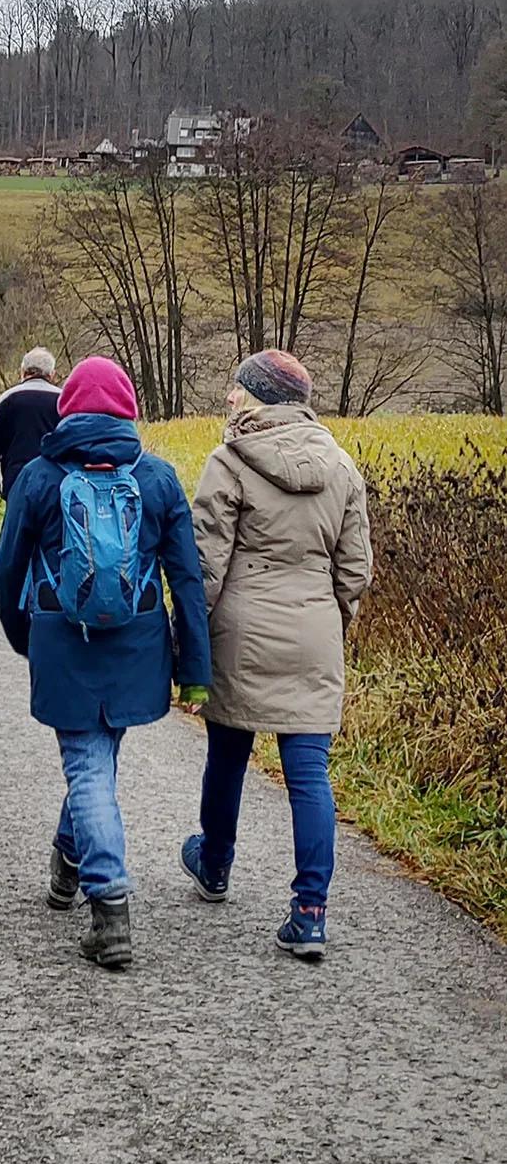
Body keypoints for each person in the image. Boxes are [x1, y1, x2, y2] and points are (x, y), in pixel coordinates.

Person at [0, 355, 211, 970]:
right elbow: (187, 580)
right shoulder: (160, 479)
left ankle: (109, 907)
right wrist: (193, 668)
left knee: (88, 766)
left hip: (63, 639)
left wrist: (23, 637)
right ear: (128, 411)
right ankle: (67, 861)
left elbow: (7, 569)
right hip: (139, 644)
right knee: (97, 757)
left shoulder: (38, 477)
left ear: (68, 410)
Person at [180, 350, 372, 962]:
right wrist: (331, 619)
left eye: (238, 388)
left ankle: (214, 865)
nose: (230, 397)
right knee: (309, 773)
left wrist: (191, 635)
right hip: (315, 629)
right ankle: (310, 912)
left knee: (229, 752)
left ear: (260, 396)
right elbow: (355, 570)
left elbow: (206, 564)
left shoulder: (228, 460)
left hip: (242, 630)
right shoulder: (341, 466)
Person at [0, 347, 62, 502]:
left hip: (16, 480)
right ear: (52, 375)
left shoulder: (8, 399)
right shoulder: (63, 401)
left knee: (17, 525)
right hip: (55, 482)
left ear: (23, 372)